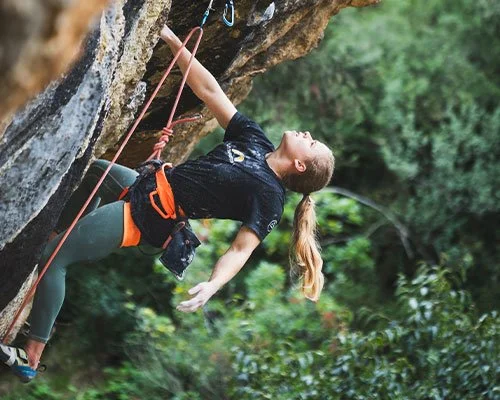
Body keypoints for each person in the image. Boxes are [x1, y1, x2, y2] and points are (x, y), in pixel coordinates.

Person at [0, 25, 334, 383]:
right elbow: (209, 90)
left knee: (54, 259)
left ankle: (31, 356)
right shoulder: (255, 141)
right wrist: (174, 42)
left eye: (312, 145)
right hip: (149, 185)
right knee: (93, 171)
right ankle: (60, 231)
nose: (308, 135)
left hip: (149, 215)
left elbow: (241, 249)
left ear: (300, 166)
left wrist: (213, 284)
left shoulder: (268, 196)